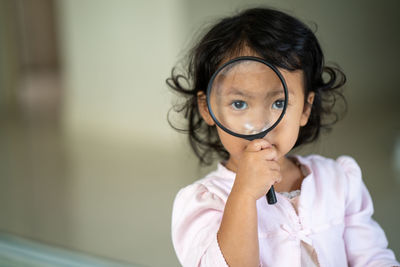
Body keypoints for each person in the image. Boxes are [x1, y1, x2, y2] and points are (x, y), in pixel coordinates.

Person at [167, 7, 399, 267]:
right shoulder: (204, 202)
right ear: (207, 108)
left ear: (305, 109)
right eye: (239, 104)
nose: (259, 125)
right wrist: (242, 196)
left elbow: (372, 257)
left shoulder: (339, 181)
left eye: (278, 103)